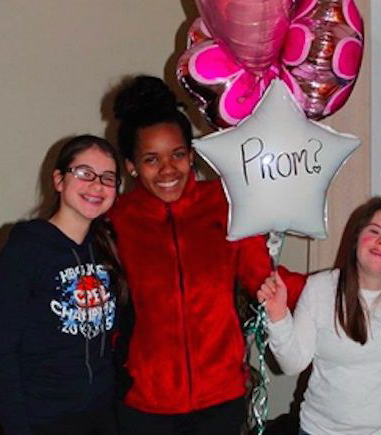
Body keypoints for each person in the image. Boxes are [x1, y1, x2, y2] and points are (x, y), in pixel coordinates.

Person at [107, 75, 306, 435]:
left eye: (178, 154)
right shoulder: (116, 221)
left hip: (220, 399)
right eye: (151, 159)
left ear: (191, 154)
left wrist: (338, 289)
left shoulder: (224, 204)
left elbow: (264, 278)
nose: (168, 169)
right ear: (131, 165)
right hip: (145, 405)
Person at [0, 135, 127, 435]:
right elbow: (1, 353)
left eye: (107, 178)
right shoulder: (25, 248)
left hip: (103, 417)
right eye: (85, 173)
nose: (96, 185)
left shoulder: (107, 248)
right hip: (44, 418)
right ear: (59, 180)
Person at [258, 197, 381, 435]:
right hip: (320, 430)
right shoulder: (320, 288)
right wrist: (279, 316)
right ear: (356, 240)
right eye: (374, 231)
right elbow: (292, 364)